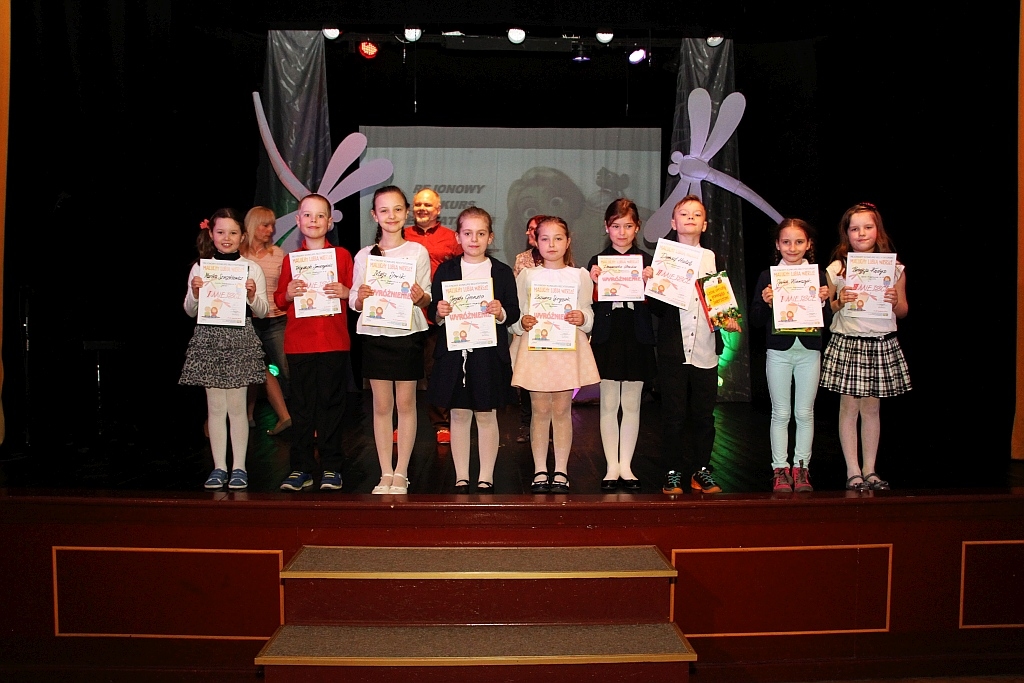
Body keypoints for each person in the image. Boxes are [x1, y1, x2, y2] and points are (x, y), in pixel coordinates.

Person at [649, 195, 741, 495]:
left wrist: (728, 318)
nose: (690, 218)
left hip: (705, 349)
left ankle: (702, 470)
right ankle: (672, 472)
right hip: (673, 350)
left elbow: (721, 299)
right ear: (673, 222)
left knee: (704, 416)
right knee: (673, 415)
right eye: (684, 213)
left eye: (697, 214)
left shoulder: (714, 258)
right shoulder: (664, 258)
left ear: (705, 224)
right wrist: (652, 284)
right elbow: (657, 310)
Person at [428, 207, 519, 493]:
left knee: (486, 414)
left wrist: (500, 311)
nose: (474, 239)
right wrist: (439, 311)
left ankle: (486, 476)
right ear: (458, 237)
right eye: (467, 233)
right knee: (458, 414)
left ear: (490, 237)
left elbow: (514, 312)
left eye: (481, 233)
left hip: (488, 355)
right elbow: (434, 311)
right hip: (454, 355)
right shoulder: (446, 270)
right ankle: (461, 476)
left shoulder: (501, 272)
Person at [820, 202, 910, 491]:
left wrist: (894, 302)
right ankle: (853, 471)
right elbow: (827, 309)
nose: (861, 233)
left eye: (867, 227)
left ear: (877, 230)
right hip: (850, 341)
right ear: (846, 233)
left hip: (880, 341)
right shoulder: (837, 268)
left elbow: (903, 310)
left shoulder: (894, 268)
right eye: (855, 228)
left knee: (872, 408)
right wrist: (840, 301)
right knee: (849, 407)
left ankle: (870, 469)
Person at [179, 208, 268, 491]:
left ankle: (239, 467)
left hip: (240, 337)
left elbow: (263, 311)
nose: (226, 238)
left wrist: (252, 295)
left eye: (232, 232)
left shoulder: (251, 268)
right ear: (211, 234)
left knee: (238, 407)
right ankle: (219, 467)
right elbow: (189, 309)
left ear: (242, 236)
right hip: (209, 337)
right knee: (215, 407)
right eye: (220, 232)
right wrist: (196, 292)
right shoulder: (201, 268)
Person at [351, 186, 432, 495]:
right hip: (375, 335)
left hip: (407, 335)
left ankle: (402, 472)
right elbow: (354, 301)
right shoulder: (364, 256)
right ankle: (385, 471)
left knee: (406, 404)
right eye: (384, 210)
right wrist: (361, 297)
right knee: (382, 406)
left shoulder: (417, 252)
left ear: (406, 213)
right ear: (374, 215)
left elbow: (427, 296)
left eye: (397, 209)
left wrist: (420, 296)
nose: (391, 216)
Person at [510, 216, 599, 494]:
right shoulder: (527, 275)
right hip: (536, 350)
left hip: (565, 350)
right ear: (535, 242)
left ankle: (561, 470)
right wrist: (522, 322)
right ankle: (539, 469)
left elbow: (588, 312)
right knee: (539, 411)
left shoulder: (579, 275)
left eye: (558, 238)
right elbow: (517, 314)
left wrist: (582, 317)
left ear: (568, 241)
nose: (551, 244)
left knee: (561, 410)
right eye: (545, 238)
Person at [275, 194, 354, 492]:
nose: (313, 221)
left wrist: (345, 292)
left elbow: (356, 295)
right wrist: (288, 293)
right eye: (307, 215)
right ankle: (301, 467)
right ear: (298, 221)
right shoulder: (290, 260)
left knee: (331, 407)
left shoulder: (342, 256)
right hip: (299, 344)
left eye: (320, 216)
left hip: (334, 342)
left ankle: (332, 467)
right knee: (302, 408)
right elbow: (279, 300)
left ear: (330, 222)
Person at [749, 218, 830, 493]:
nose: (792, 247)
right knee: (781, 413)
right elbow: (756, 320)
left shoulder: (819, 277)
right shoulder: (768, 277)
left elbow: (828, 321)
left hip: (809, 351)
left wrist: (824, 302)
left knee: (805, 413)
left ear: (809, 244)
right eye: (786, 242)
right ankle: (780, 469)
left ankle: (802, 467)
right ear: (777, 244)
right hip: (779, 351)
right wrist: (766, 302)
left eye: (798, 242)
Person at [586, 199, 655, 492]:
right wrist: (593, 282)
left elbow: (661, 306)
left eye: (628, 226)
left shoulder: (648, 262)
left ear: (637, 227)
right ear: (606, 227)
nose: (622, 232)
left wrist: (652, 284)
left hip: (637, 335)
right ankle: (611, 467)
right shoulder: (596, 261)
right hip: (608, 335)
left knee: (632, 403)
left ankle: (626, 465)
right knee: (608, 403)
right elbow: (588, 304)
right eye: (616, 226)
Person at [403, 188, 462, 444]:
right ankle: (402, 425)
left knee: (436, 371)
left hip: (438, 315)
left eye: (428, 205)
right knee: (402, 373)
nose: (422, 209)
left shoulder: (452, 238)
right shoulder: (400, 236)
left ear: (438, 209)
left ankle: (441, 423)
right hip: (404, 315)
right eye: (418, 204)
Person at [240, 206, 292, 436]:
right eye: (265, 225)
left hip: (276, 319)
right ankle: (252, 416)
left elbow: (284, 290)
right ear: (253, 225)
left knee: (287, 368)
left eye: (272, 225)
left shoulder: (278, 254)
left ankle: (296, 416)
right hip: (247, 321)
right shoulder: (239, 256)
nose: (270, 230)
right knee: (253, 369)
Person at [511, 215, 545, 444]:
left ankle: (546, 426)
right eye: (529, 229)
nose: (529, 233)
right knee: (525, 378)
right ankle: (526, 424)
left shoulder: (563, 260)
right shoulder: (521, 259)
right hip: (527, 326)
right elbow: (517, 294)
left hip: (552, 330)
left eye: (534, 229)